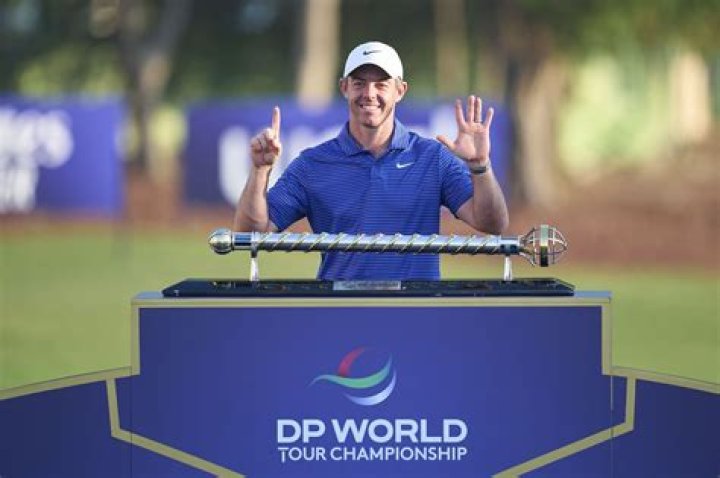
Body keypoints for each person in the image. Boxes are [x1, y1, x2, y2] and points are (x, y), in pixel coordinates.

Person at [233, 41, 509, 280]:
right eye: (359, 83)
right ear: (344, 87)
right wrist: (260, 171)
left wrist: (480, 166)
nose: (369, 94)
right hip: (340, 311)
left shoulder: (433, 158)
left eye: (381, 84)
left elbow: (492, 223)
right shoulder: (312, 164)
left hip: (417, 310)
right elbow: (251, 233)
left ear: (400, 90)